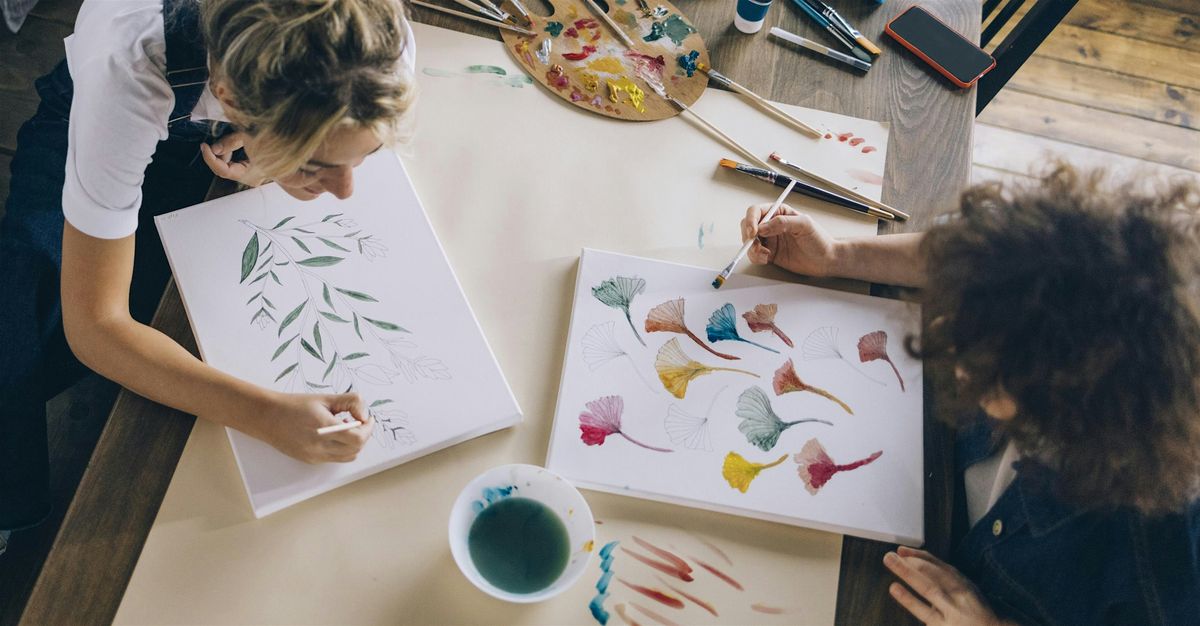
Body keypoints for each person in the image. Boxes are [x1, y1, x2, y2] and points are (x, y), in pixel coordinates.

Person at [0, 0, 417, 553]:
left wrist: (282, 156)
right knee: (21, 324)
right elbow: (96, 324)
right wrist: (266, 415)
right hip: (95, 116)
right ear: (230, 98)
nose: (345, 192)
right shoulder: (129, 59)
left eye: (364, 154)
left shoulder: (376, 46)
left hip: (222, 131)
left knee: (177, 308)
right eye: (317, 165)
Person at [740, 166, 1200, 625]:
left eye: (982, 361)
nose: (947, 335)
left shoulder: (1160, 557)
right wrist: (839, 254)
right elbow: (972, 258)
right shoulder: (1087, 269)